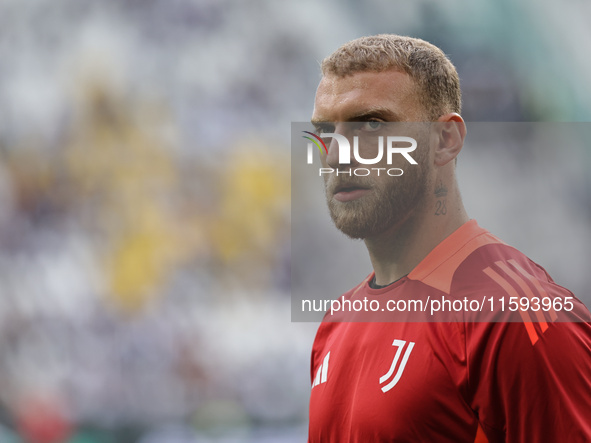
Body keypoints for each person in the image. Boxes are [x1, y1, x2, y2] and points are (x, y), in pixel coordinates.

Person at [307, 34, 591, 442]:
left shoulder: (513, 315)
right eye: (324, 130)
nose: (336, 153)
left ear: (445, 140)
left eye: (371, 124)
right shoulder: (336, 323)